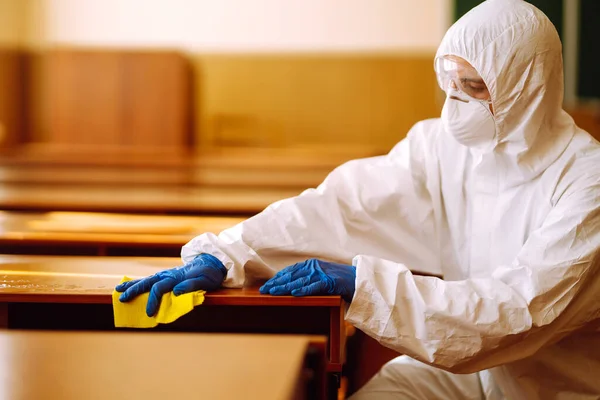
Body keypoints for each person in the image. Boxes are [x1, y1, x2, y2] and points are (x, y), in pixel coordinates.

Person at [116, 0, 600, 398]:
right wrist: (230, 252)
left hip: (554, 386)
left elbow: (515, 313)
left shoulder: (587, 182)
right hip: (473, 380)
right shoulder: (443, 147)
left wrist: (364, 285)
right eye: (449, 82)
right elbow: (343, 205)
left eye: (473, 87)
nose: (455, 102)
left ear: (528, 88)